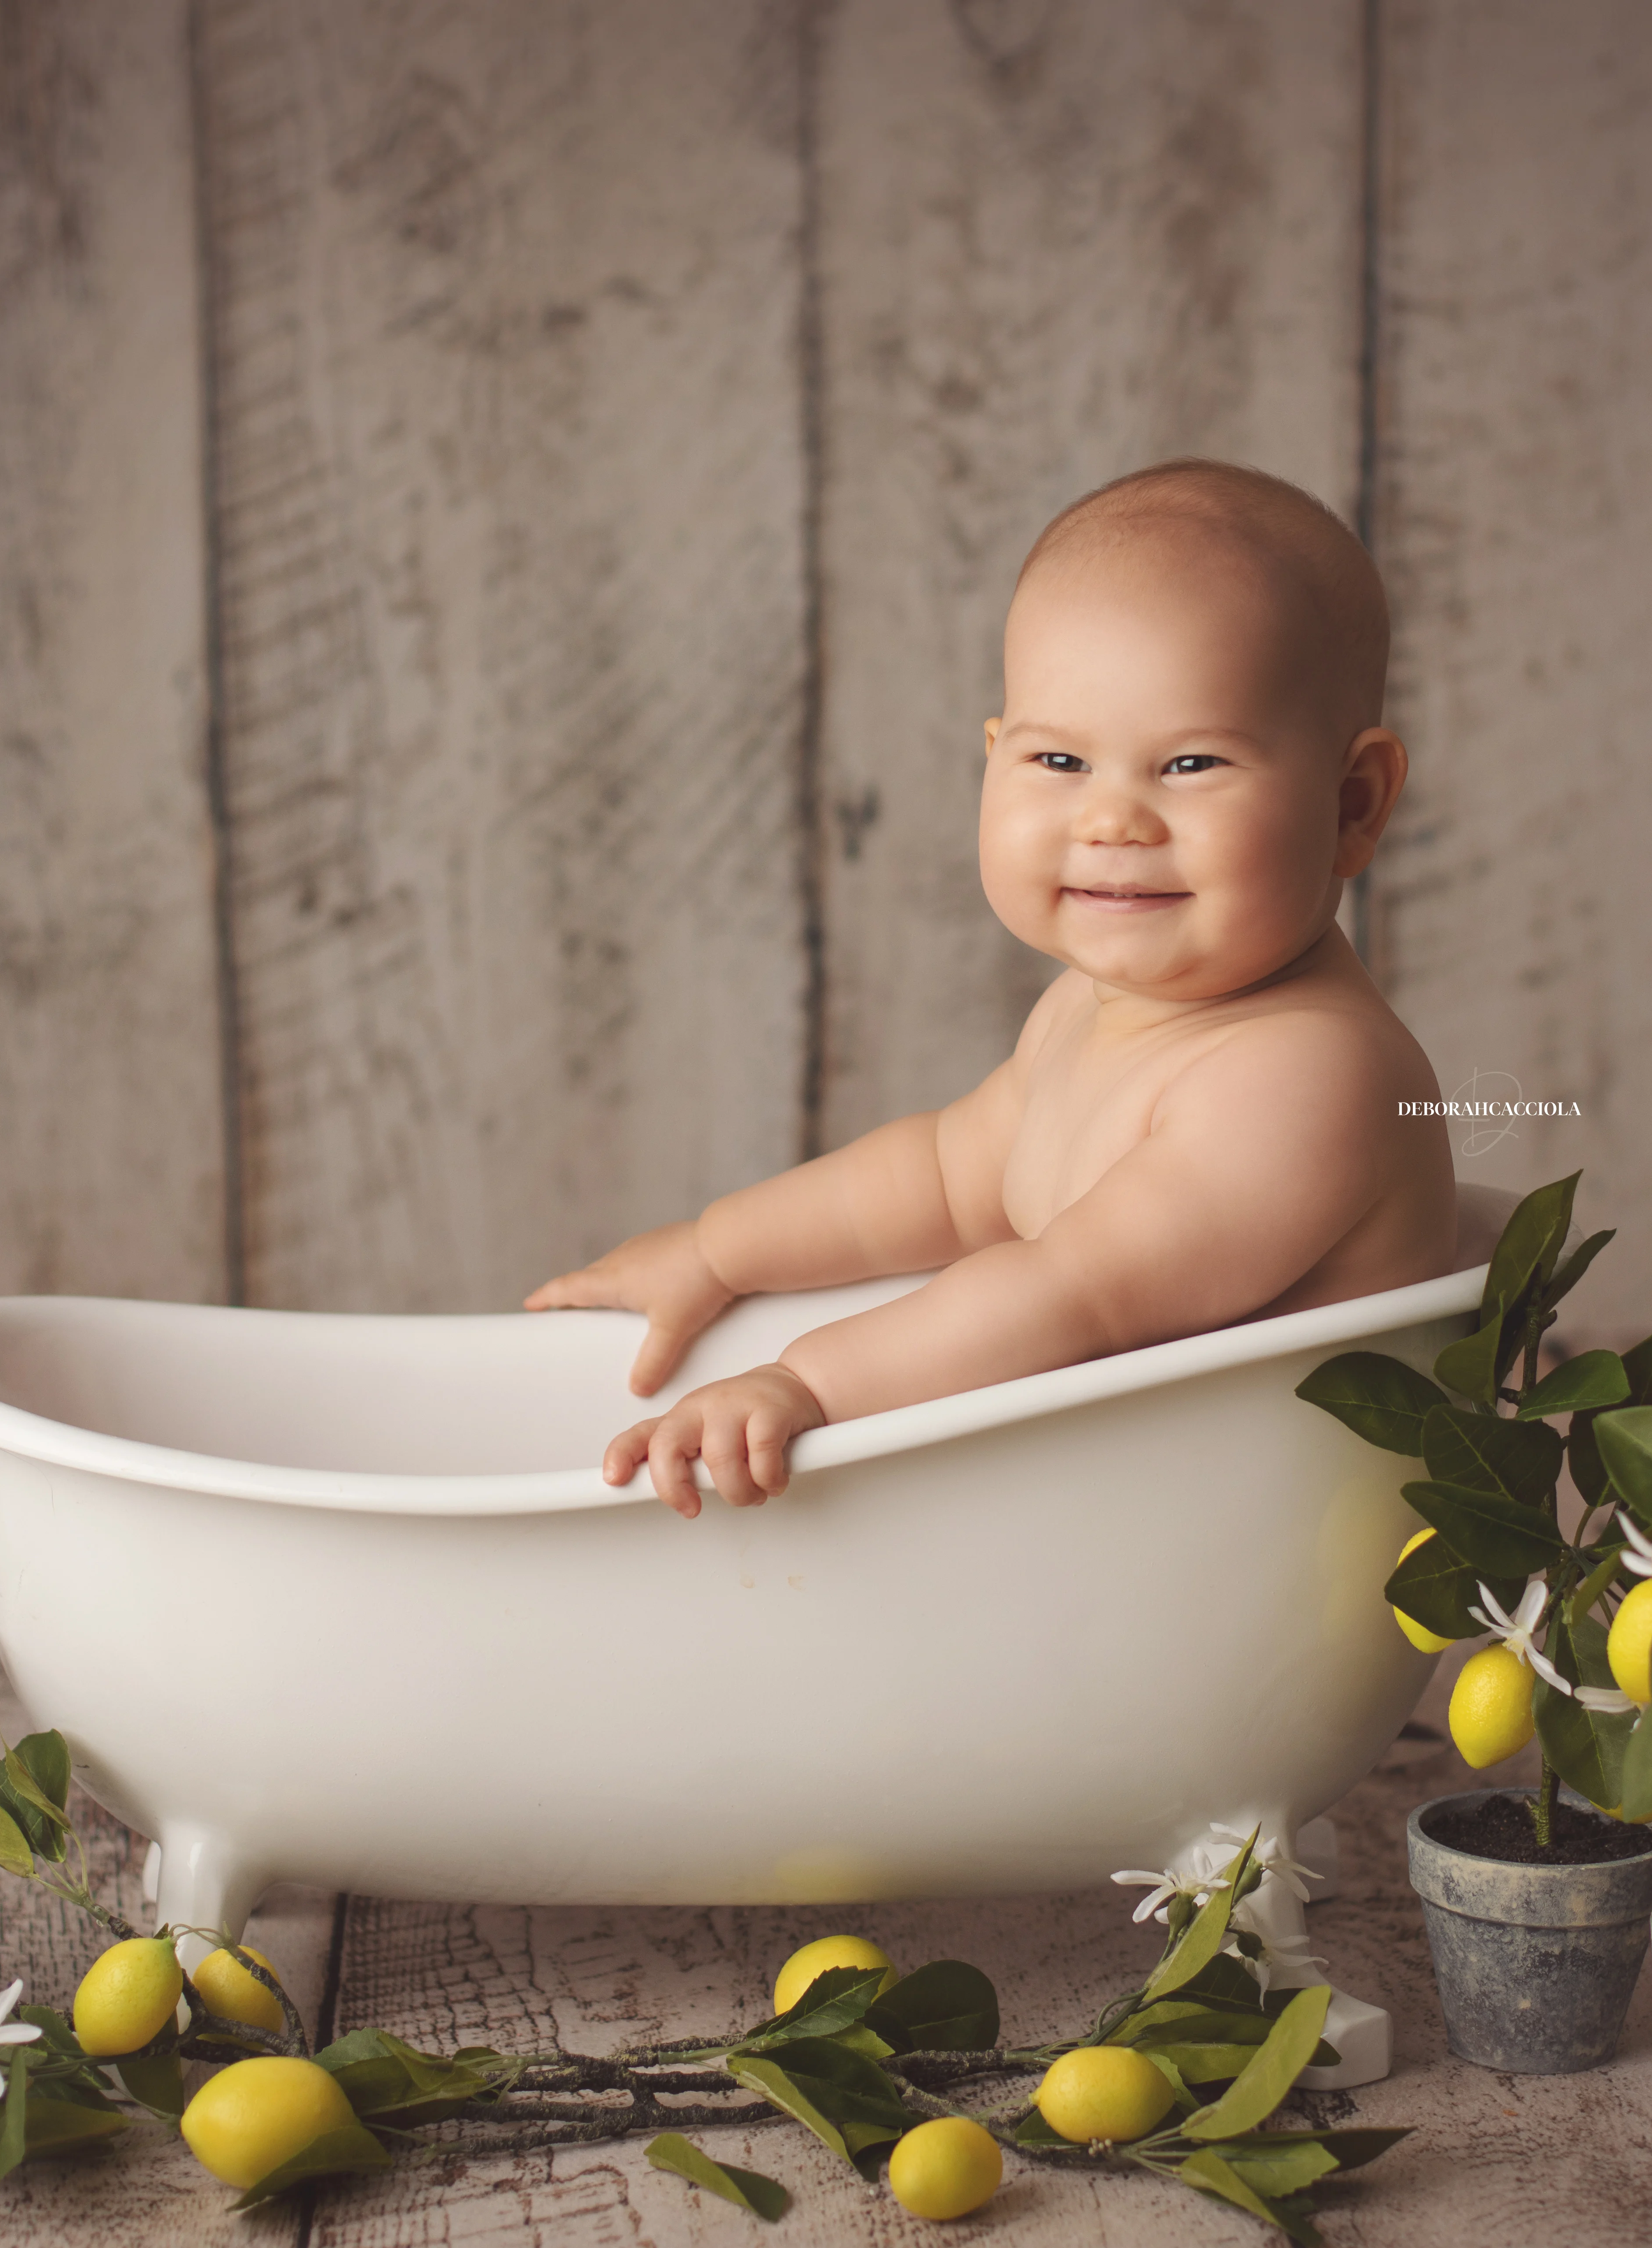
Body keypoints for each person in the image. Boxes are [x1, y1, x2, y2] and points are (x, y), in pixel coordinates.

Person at [527, 458, 1456, 1514]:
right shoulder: (1088, 1012)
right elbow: (939, 1176)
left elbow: (1073, 1292)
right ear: (991, 755)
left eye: (1190, 765)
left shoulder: (1304, 1073)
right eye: (1058, 762)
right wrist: (717, 1250)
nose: (1111, 821)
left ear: (1351, 803)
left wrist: (807, 1383)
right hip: (1102, 1522)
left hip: (1241, 1546)